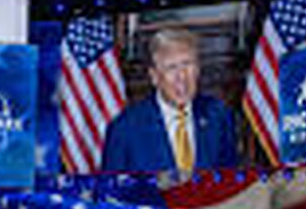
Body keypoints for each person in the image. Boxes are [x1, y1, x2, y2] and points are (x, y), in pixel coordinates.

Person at [102, 29, 239, 174]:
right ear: (154, 76)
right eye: (171, 67)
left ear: (198, 69)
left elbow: (230, 181)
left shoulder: (218, 116)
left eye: (187, 64)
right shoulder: (125, 129)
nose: (182, 76)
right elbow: (112, 193)